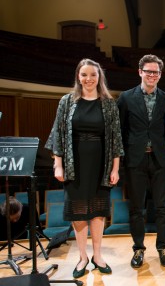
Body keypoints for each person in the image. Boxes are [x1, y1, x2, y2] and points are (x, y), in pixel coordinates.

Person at [45, 58, 123, 278]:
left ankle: (98, 256)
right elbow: (57, 135)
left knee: (98, 212)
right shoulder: (67, 101)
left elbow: (116, 139)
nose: (89, 79)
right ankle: (82, 257)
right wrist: (57, 164)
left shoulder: (109, 103)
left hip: (101, 163)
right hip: (73, 163)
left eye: (93, 75)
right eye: (84, 75)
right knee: (79, 212)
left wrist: (115, 168)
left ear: (100, 78)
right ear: (78, 77)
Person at [117, 54, 165, 268]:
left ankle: (163, 248)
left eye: (156, 72)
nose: (152, 75)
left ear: (160, 75)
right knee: (136, 209)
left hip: (160, 159)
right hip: (135, 160)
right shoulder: (125, 98)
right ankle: (138, 249)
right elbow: (120, 131)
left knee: (162, 207)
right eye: (148, 71)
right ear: (140, 72)